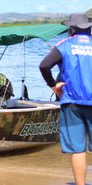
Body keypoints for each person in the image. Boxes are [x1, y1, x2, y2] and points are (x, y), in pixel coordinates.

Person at [39, 13, 92, 185]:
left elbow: (44, 65)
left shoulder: (64, 45)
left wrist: (53, 85)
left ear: (71, 28)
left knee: (78, 149)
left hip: (72, 103)